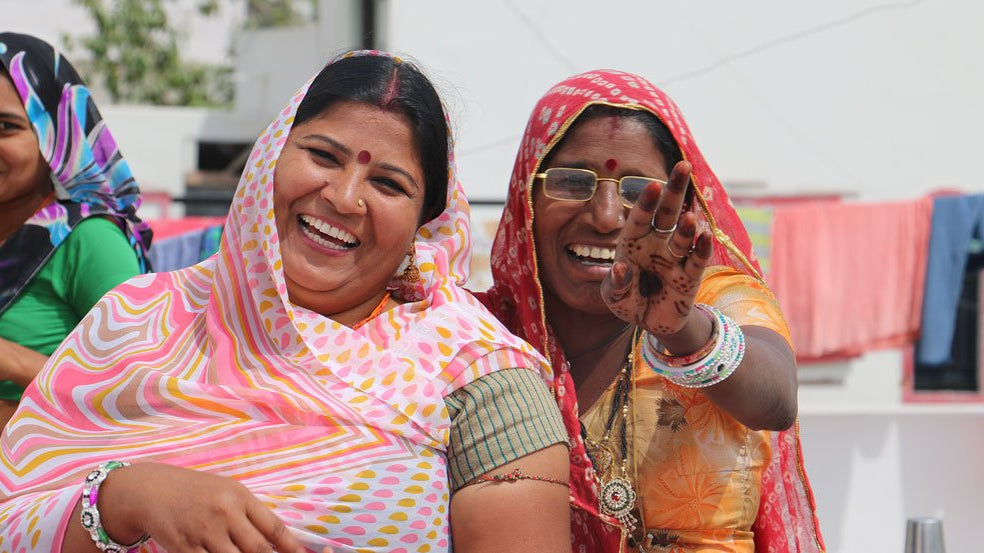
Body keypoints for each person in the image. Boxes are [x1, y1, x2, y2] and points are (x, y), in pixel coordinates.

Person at [0, 51, 571, 553]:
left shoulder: (482, 375)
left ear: (425, 222)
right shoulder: (137, 317)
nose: (344, 198)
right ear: (270, 156)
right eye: (323, 155)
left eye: (389, 185)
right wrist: (124, 498)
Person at [478, 70, 824, 552]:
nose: (604, 216)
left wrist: (684, 331)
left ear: (682, 206)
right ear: (526, 196)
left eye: (640, 191)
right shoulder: (481, 335)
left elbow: (777, 400)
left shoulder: (714, 302)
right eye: (573, 182)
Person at [0, 32, 152, 427]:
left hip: (40, 475)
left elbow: (139, 390)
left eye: (5, 126)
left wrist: (14, 361)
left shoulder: (88, 239)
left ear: (54, 134)